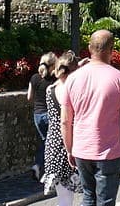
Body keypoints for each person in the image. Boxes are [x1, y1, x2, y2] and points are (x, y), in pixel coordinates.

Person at [61, 30, 120, 206]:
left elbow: (65, 120)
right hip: (109, 151)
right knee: (106, 201)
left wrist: (69, 148)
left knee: (88, 197)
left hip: (82, 148)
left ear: (89, 48)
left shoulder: (72, 79)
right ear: (111, 50)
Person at [40, 51, 82, 206]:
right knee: (90, 192)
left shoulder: (50, 89)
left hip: (53, 144)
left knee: (64, 197)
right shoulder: (73, 90)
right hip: (71, 142)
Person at [27, 51, 56, 180]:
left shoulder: (34, 78)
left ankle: (38, 166)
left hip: (37, 115)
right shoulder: (54, 79)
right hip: (50, 114)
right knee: (53, 144)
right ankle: (51, 171)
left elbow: (29, 97)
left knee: (43, 142)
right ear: (52, 65)